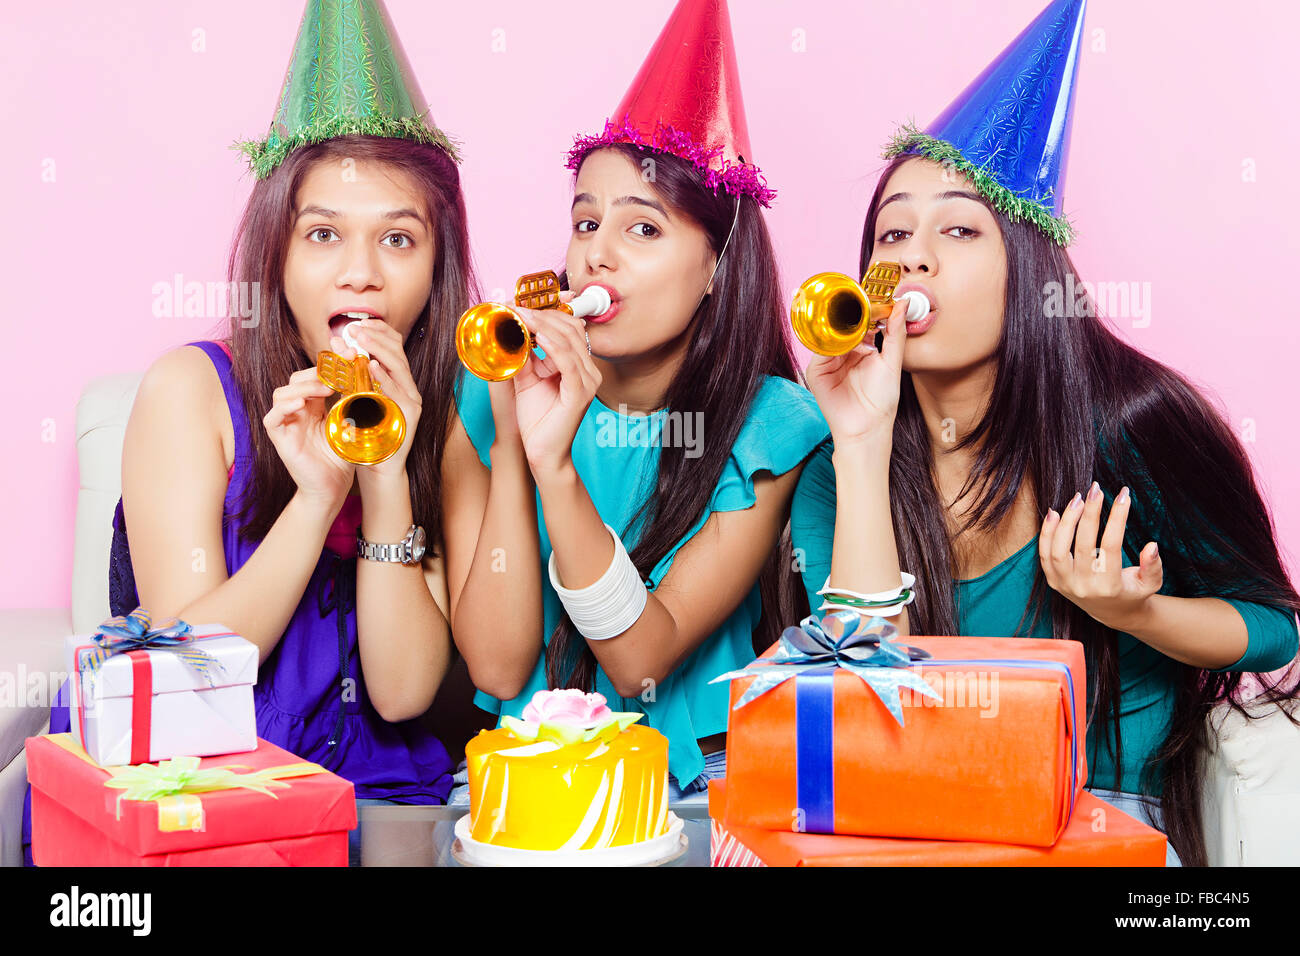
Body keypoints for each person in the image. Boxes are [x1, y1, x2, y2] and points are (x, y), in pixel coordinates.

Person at [789, 0, 1300, 866]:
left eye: (957, 228)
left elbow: (1274, 626)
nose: (913, 257)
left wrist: (1138, 613)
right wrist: (864, 439)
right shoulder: (839, 466)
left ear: (1028, 265)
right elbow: (864, 703)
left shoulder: (1133, 420)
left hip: (1109, 831)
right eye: (892, 232)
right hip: (917, 823)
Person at [25, 0, 473, 867]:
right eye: (323, 235)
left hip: (374, 802)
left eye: (398, 238)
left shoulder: (443, 417)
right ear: (277, 253)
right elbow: (186, 677)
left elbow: (403, 689)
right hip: (204, 795)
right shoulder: (189, 391)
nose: (361, 272)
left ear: (436, 261)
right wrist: (314, 501)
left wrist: (381, 474)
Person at [442, 0, 829, 802]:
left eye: (643, 230)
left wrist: (560, 473)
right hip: (529, 778)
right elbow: (498, 665)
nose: (595, 257)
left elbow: (641, 658)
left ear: (717, 265)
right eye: (586, 222)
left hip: (696, 787)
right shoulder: (488, 394)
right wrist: (520, 438)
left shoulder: (773, 426)